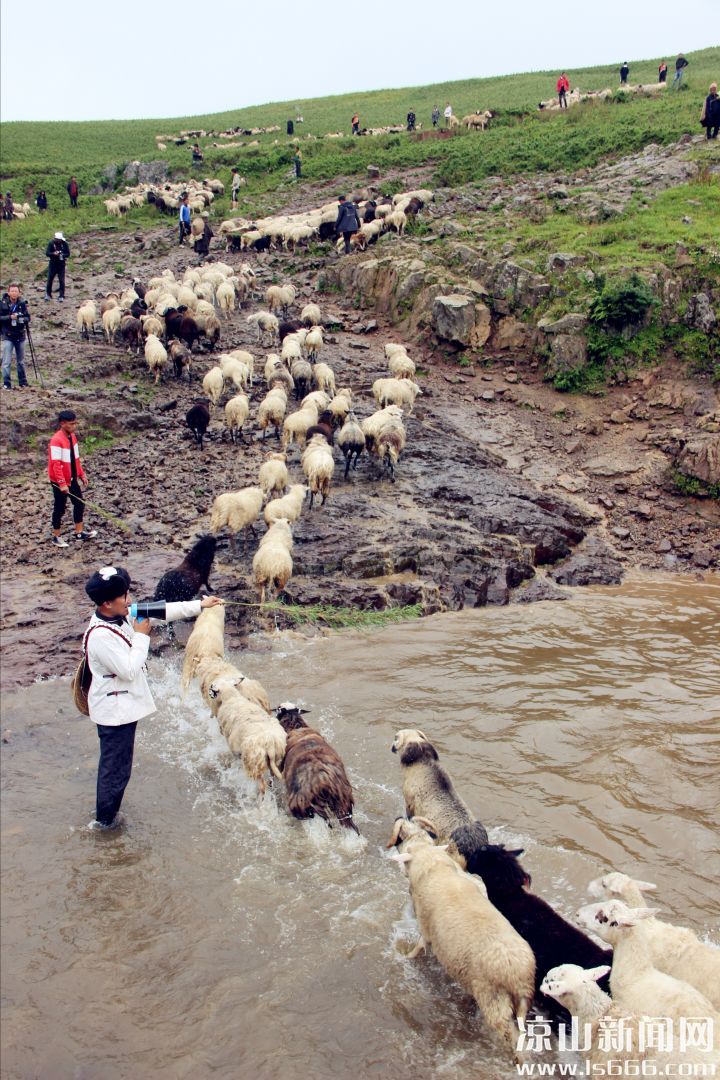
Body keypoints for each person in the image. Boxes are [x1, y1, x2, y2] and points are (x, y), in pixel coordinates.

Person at [82, 566, 224, 830]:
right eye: (124, 596)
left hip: (122, 707)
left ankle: (108, 816)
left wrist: (200, 605)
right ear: (106, 603)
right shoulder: (100, 636)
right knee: (115, 771)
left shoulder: (122, 614)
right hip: (114, 714)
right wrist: (140, 637)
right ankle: (104, 823)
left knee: (119, 767)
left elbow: (165, 610)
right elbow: (128, 669)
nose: (129, 600)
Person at [48, 409, 98, 546]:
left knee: (79, 503)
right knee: (60, 507)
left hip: (72, 478)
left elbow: (75, 458)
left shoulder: (72, 437)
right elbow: (55, 464)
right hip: (59, 481)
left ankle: (79, 532)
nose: (74, 426)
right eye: (71, 424)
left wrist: (81, 474)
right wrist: (62, 483)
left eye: (75, 423)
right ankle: (56, 536)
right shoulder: (56, 440)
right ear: (63, 423)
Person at [1, 283, 31, 391]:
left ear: (19, 293)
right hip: (8, 335)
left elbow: (28, 318)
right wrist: (10, 317)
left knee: (21, 361)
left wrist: (22, 319)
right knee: (6, 361)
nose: (14, 293)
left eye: (16, 291)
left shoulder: (22, 303)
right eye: (12, 291)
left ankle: (23, 382)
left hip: (20, 335)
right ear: (8, 292)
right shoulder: (3, 303)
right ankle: (6, 383)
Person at [45, 231, 70, 301]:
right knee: (50, 279)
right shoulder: (51, 243)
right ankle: (48, 294)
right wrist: (53, 254)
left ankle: (61, 295)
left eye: (60, 240)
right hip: (53, 264)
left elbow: (68, 253)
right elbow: (47, 253)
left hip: (61, 265)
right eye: (57, 240)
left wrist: (62, 255)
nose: (59, 241)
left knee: (62, 280)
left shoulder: (64, 244)